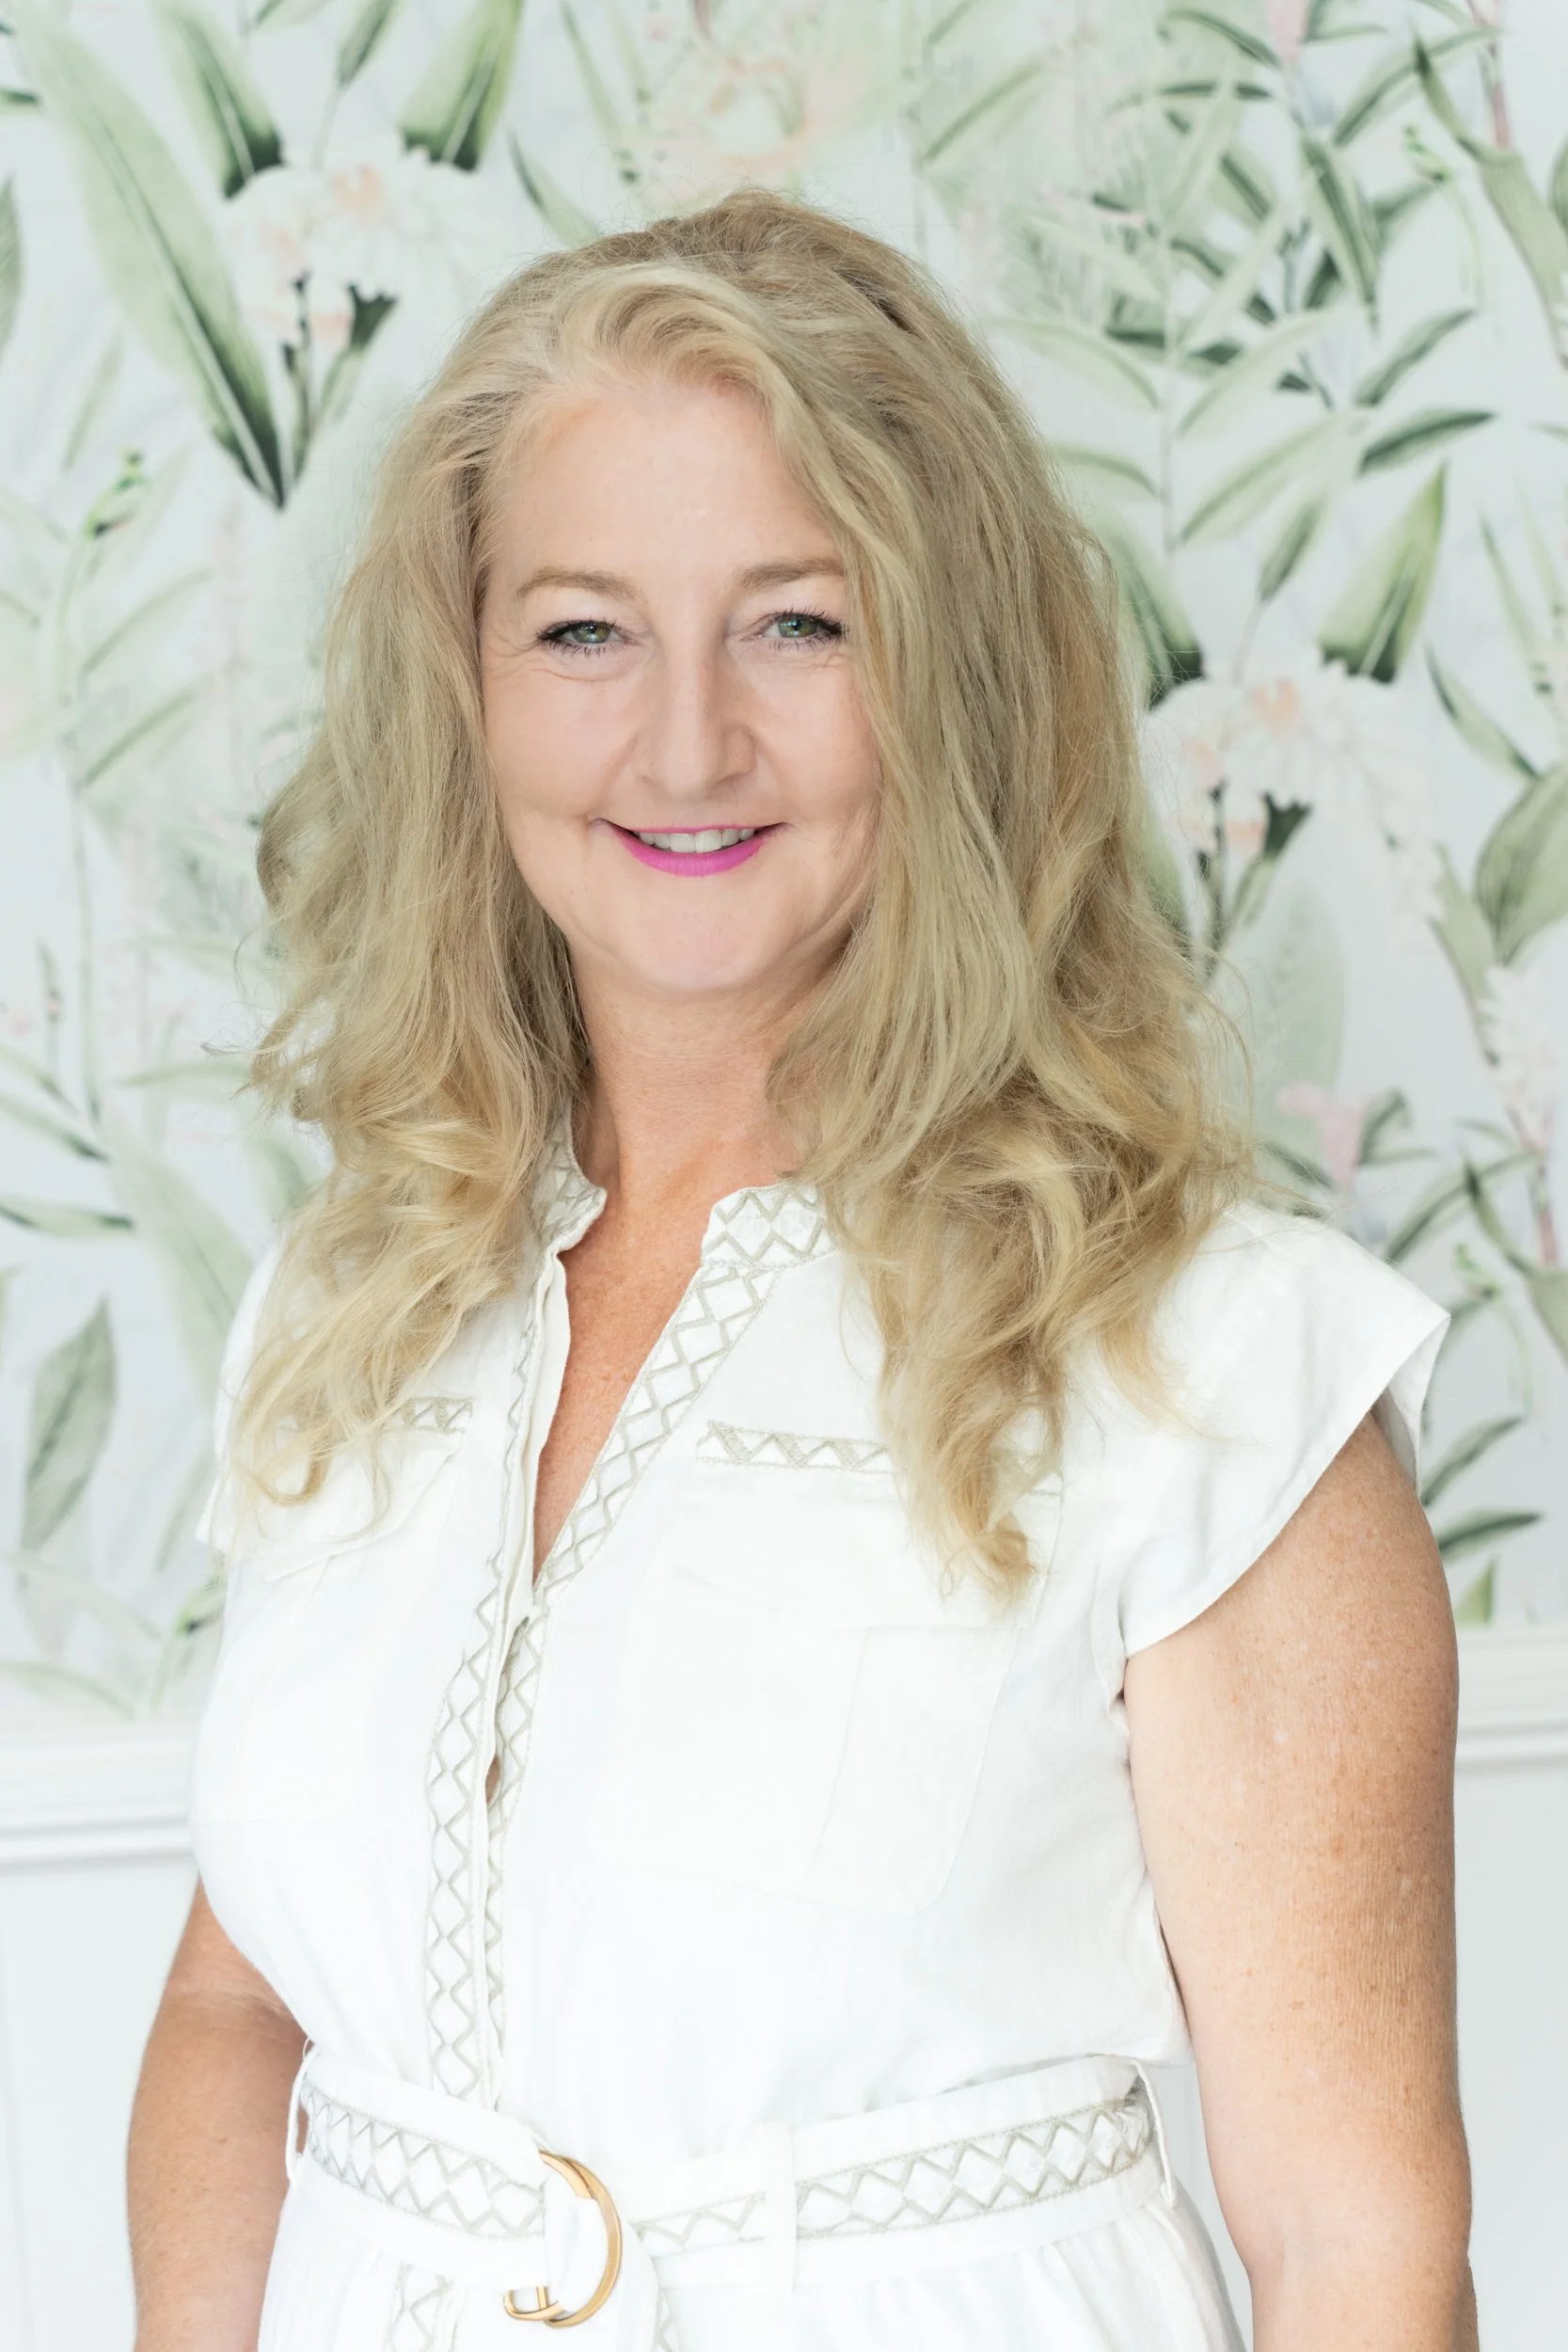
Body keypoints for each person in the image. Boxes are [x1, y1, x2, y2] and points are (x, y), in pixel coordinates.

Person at [128, 189, 1475, 2352]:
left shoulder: (1211, 1358)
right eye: (582, 631)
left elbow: (1351, 2241)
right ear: (464, 685)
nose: (680, 747)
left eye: (796, 623)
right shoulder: (355, 1297)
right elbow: (236, 2002)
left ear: (945, 678)